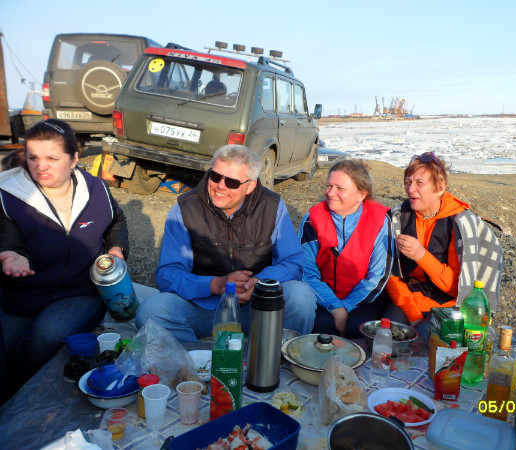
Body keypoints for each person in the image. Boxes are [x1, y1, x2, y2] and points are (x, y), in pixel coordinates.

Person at [0, 119, 132, 395]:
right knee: (5, 347)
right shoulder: (9, 196)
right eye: (33, 157)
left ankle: (20, 392)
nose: (41, 166)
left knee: (45, 336)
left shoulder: (96, 189)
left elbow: (116, 221)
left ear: (74, 159)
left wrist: (116, 249)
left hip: (80, 291)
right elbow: (6, 240)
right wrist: (10, 256)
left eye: (52, 158)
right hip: (23, 293)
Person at [135, 145, 316, 341]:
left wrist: (258, 283)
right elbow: (167, 273)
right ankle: (197, 357)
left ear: (250, 186)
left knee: (301, 297)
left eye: (231, 182)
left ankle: (273, 356)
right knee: (151, 310)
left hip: (258, 306)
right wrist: (215, 285)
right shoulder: (185, 208)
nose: (220, 186)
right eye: (215, 176)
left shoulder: (272, 206)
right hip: (205, 308)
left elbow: (293, 262)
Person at [385, 152, 502, 335]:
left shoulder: (460, 224)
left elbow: (459, 288)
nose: (411, 189)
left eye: (419, 183)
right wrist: (413, 315)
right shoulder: (397, 218)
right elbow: (391, 275)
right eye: (408, 182)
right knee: (388, 334)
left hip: (450, 304)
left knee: (429, 337)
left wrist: (421, 256)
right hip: (408, 300)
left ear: (440, 188)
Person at [298, 159, 396, 339]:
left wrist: (346, 308)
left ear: (361, 194)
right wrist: (335, 307)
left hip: (364, 298)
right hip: (323, 296)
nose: (330, 193)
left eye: (340, 188)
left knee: (358, 328)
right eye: (329, 185)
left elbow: (377, 276)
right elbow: (306, 272)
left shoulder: (380, 220)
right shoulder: (313, 218)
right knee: (322, 325)